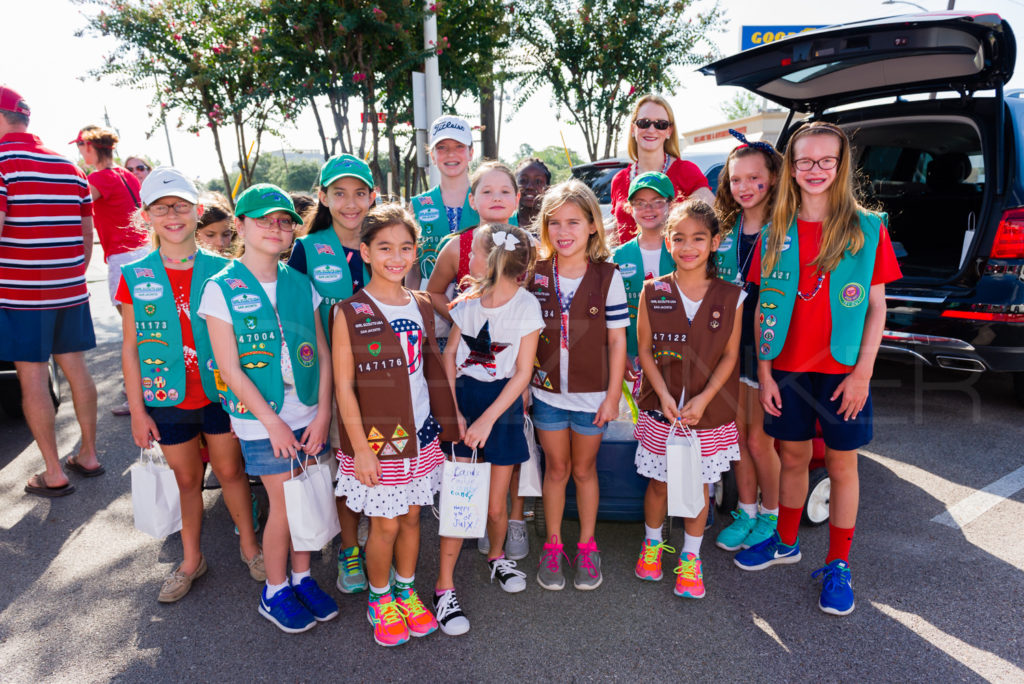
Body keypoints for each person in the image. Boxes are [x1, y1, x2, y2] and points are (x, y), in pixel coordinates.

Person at [734, 122, 902, 617]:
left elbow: (876, 306)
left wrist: (863, 373)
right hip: (785, 367)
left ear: (841, 165)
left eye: (826, 161)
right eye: (804, 161)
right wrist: (764, 373)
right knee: (791, 457)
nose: (815, 170)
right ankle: (785, 541)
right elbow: (764, 308)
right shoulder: (774, 231)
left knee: (841, 463)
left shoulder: (868, 228)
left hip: (842, 369)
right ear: (790, 167)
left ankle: (838, 563)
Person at [116, 167, 264, 602]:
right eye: (161, 208)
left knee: (232, 470)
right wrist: (139, 411)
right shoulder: (135, 274)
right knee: (186, 480)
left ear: (197, 211)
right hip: (166, 397)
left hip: (222, 394)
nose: (173, 215)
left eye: (181, 206)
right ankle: (190, 559)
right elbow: (130, 348)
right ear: (146, 216)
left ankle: (250, 547)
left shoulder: (226, 269)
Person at [199, 183, 337, 634]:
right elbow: (230, 368)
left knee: (309, 496)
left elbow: (322, 348)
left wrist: (323, 414)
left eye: (283, 221)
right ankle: (274, 590)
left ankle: (301, 577)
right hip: (263, 420)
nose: (276, 228)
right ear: (239, 225)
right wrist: (274, 424)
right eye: (263, 219)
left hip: (307, 411)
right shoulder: (221, 287)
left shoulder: (301, 282)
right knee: (283, 505)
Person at [333, 204, 459, 647]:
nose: (396, 256)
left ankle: (406, 590)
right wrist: (361, 448)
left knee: (411, 519)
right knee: (384, 524)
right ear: (365, 252)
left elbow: (429, 367)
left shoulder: (422, 304)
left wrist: (449, 419)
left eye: (406, 247)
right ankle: (380, 596)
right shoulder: (348, 311)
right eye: (385, 247)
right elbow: (344, 387)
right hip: (377, 440)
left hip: (421, 435)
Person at [632, 199, 743, 599]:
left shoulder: (732, 296)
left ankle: (691, 559)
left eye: (698, 238)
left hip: (706, 414)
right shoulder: (653, 290)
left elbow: (731, 354)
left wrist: (704, 399)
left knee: (696, 487)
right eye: (678, 238)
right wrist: (662, 394)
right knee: (660, 484)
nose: (688, 247)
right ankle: (651, 546)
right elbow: (644, 349)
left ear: (715, 242)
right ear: (667, 241)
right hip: (663, 410)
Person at [435, 224, 542, 635]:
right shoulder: (468, 302)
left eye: (475, 253)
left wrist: (487, 419)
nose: (470, 260)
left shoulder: (527, 307)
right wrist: (456, 412)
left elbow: (521, 374)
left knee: (496, 507)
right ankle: (444, 588)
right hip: (466, 402)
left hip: (501, 409)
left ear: (492, 261)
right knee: (462, 504)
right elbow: (449, 353)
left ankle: (496, 557)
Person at [0, 86, 103, 497]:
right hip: (69, 289)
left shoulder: (3, 163)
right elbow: (86, 235)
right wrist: (68, 274)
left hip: (21, 294)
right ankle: (90, 454)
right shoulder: (67, 166)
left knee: (32, 380)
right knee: (75, 368)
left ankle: (53, 472)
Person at [529, 179, 628, 591]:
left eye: (574, 222)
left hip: (592, 398)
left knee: (584, 470)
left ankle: (587, 546)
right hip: (546, 394)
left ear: (593, 225)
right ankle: (553, 544)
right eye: (555, 223)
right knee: (557, 469)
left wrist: (612, 397)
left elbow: (618, 339)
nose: (563, 232)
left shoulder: (608, 275)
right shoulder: (534, 274)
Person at [289, 154, 375, 596]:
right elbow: (300, 319)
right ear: (322, 196)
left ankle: (380, 539)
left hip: (383, 376)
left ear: (372, 196)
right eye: (339, 193)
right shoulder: (307, 247)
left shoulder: (382, 239)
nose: (350, 203)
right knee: (346, 465)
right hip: (335, 378)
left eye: (360, 192)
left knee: (381, 460)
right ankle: (349, 547)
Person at [712, 132, 784, 553]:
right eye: (737, 179)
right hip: (730, 343)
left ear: (772, 179)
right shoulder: (726, 227)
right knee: (735, 435)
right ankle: (746, 509)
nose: (745, 187)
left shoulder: (786, 228)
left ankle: (771, 514)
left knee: (760, 439)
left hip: (767, 344)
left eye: (755, 178)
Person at [609, 94, 714, 245]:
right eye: (644, 123)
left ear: (669, 131)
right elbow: (615, 233)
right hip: (630, 267)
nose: (651, 130)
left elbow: (712, 217)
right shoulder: (619, 180)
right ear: (633, 129)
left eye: (661, 124)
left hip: (675, 267)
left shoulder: (686, 171)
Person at [426, 161, 519, 321]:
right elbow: (433, 293)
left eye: (505, 191)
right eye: (487, 192)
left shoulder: (528, 245)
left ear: (517, 199)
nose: (496, 198)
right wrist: (461, 321)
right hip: (469, 345)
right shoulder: (457, 247)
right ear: (472, 200)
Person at [72, 125, 149, 310]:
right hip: (144, 251)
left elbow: (72, 209)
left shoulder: (98, 179)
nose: (81, 154)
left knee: (131, 325)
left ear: (88, 146)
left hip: (123, 257)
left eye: (80, 148)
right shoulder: (127, 175)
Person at [611, 171, 676, 361]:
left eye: (657, 202)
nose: (648, 209)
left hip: (676, 352)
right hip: (631, 354)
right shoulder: (618, 256)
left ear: (670, 205)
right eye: (640, 203)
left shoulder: (683, 252)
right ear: (630, 208)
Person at [409, 115, 477, 286]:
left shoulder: (489, 200)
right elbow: (413, 267)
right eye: (442, 147)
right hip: (430, 302)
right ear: (432, 156)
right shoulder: (418, 205)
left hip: (480, 299)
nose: (451, 154)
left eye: (459, 146)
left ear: (471, 153)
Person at [515, 157, 551, 230]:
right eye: (523, 180)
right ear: (513, 186)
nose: (530, 187)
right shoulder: (503, 222)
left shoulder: (553, 225)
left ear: (547, 189)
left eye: (538, 181)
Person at [196, 192, 234, 256]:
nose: (220, 243)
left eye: (226, 234)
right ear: (195, 234)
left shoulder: (233, 263)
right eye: (210, 235)